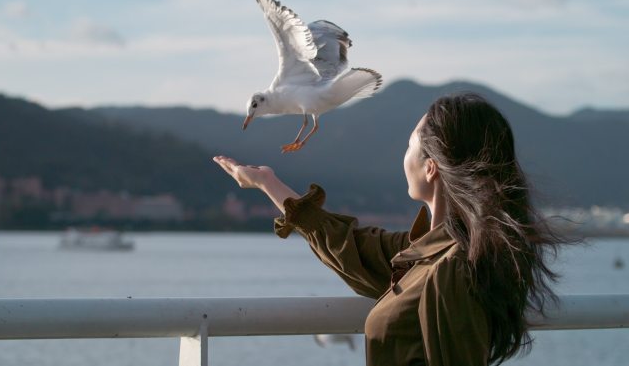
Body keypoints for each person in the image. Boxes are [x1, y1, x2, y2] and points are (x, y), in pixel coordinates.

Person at [214, 93, 565, 366]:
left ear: (431, 167)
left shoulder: (450, 270)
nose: (404, 155)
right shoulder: (428, 256)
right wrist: (267, 183)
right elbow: (351, 248)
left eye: (409, 145)